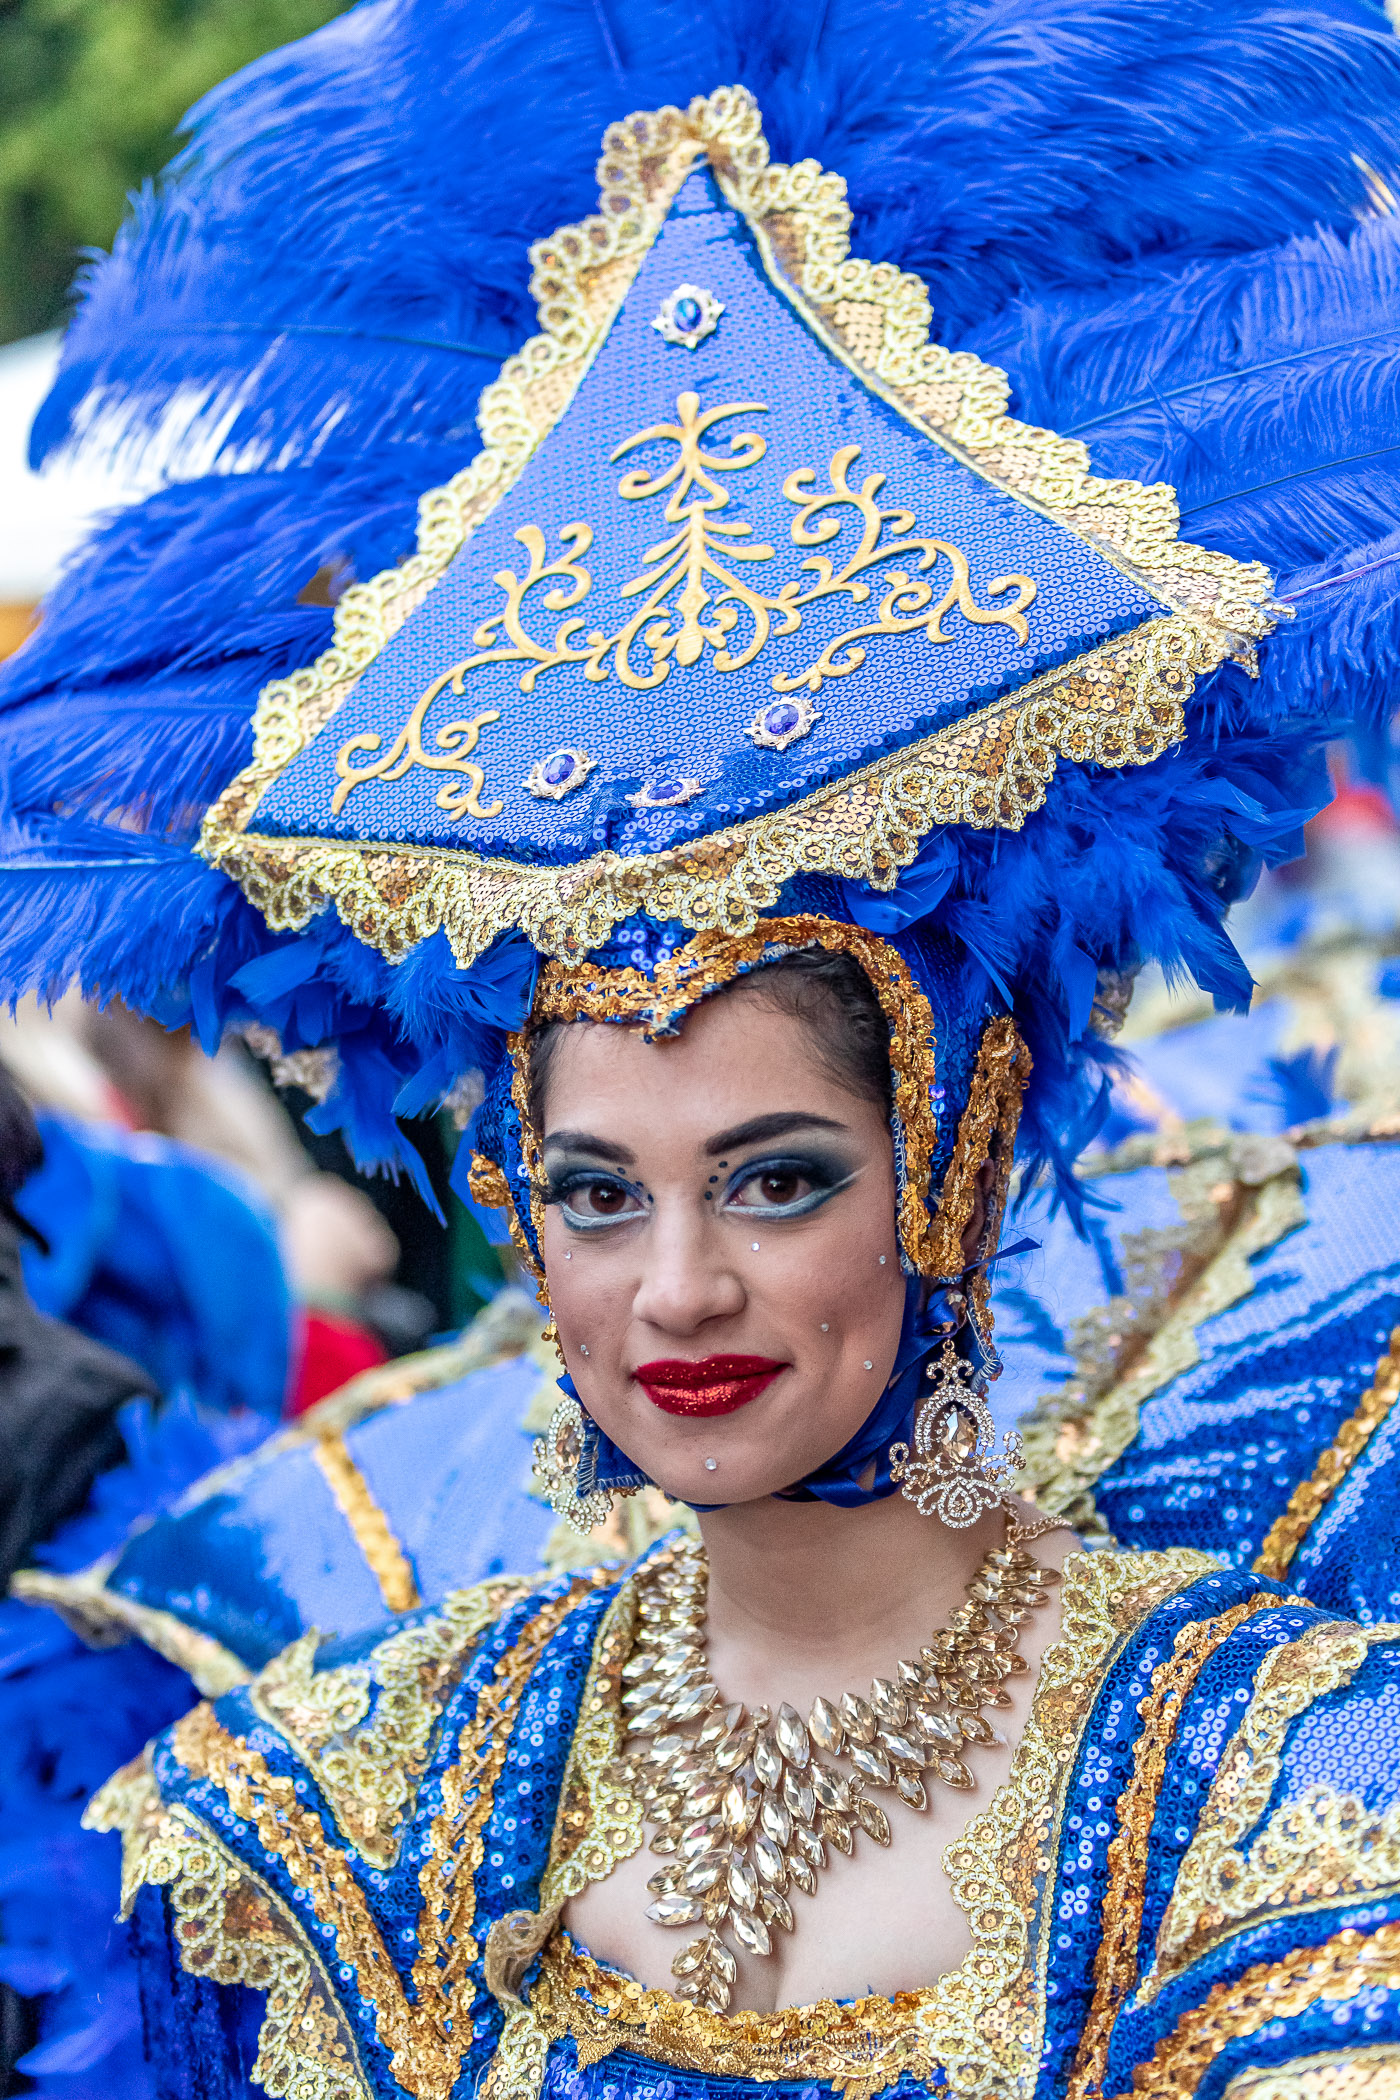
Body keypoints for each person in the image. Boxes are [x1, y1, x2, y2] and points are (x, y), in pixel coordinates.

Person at [6, 2, 1400, 2094]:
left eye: (774, 1176)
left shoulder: (1262, 1783)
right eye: (594, 1194)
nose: (674, 1291)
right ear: (511, 1213)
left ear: (949, 1154)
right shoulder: (355, 1807)